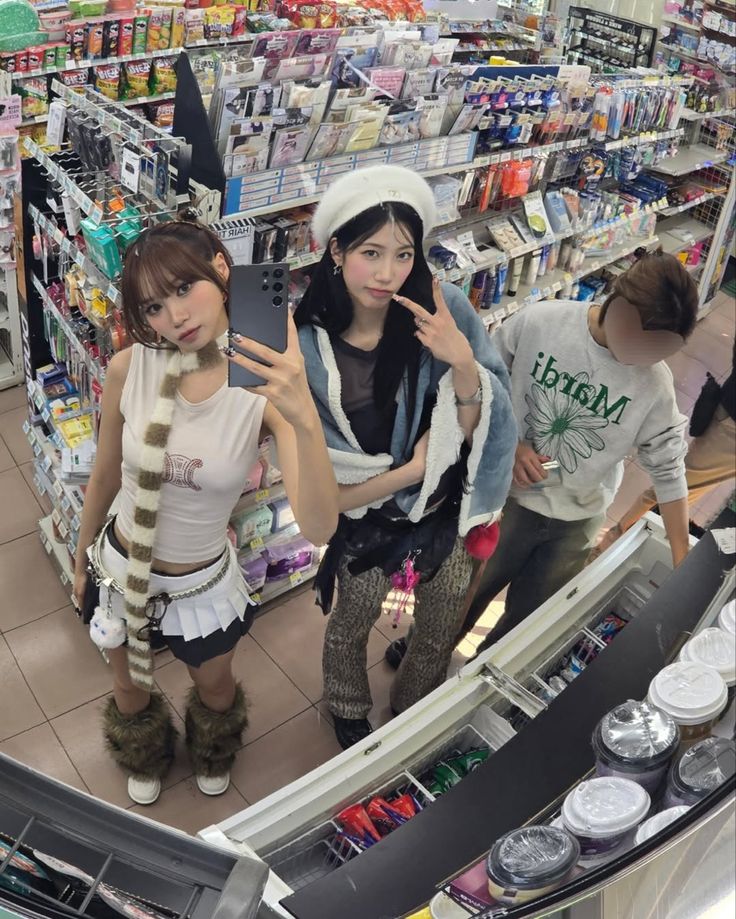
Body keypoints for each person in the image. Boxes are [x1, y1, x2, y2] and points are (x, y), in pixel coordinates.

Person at [73, 220, 338, 805]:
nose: (175, 318)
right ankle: (142, 752)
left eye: (183, 288)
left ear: (221, 271)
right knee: (128, 684)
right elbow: (105, 471)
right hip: (120, 568)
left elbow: (319, 526)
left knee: (214, 686)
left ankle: (213, 746)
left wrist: (303, 415)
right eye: (154, 306)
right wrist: (79, 554)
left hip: (202, 585)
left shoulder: (261, 385)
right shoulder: (129, 367)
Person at [294, 165, 517, 749]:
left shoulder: (441, 315)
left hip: (442, 513)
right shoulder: (305, 346)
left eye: (403, 255)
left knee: (441, 622)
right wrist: (410, 471)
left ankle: (414, 707)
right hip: (366, 522)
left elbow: (471, 434)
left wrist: (463, 362)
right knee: (351, 620)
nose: (388, 274)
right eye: (371, 252)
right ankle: (346, 705)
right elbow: (324, 483)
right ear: (336, 250)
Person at [458, 250, 699, 658]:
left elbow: (669, 469)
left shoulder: (655, 385)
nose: (649, 359)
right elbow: (482, 382)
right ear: (618, 308)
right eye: (645, 344)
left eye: (662, 351)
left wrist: (682, 560)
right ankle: (422, 650)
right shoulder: (543, 323)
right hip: (504, 502)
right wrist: (510, 444)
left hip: (577, 520)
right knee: (464, 594)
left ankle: (476, 678)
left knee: (526, 622)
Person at [597, 335, 735, 547]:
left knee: (683, 494)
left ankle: (634, 541)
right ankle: (613, 545)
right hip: (730, 429)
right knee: (674, 491)